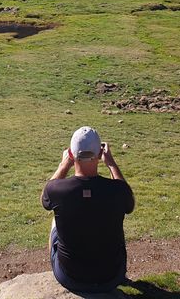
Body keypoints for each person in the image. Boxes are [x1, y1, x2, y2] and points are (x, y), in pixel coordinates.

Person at [41, 126, 134, 293]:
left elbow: (45, 199)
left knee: (55, 219)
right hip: (112, 277)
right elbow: (129, 203)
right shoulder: (118, 190)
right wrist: (111, 163)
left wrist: (64, 164)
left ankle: (58, 267)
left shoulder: (56, 190)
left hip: (69, 278)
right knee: (117, 214)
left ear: (70, 154)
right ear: (100, 154)